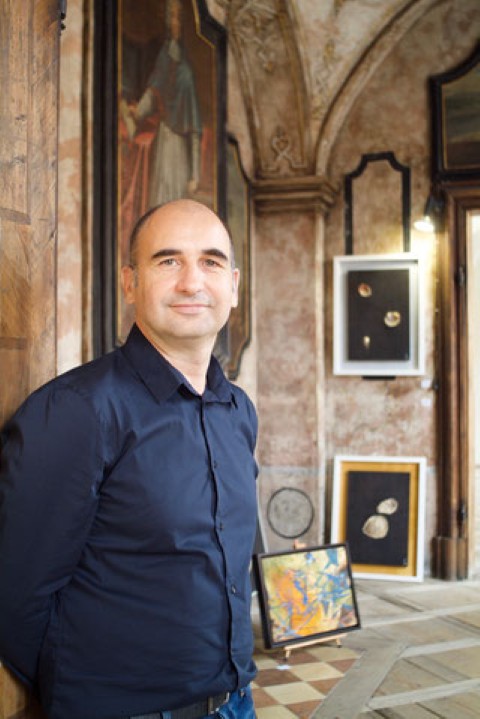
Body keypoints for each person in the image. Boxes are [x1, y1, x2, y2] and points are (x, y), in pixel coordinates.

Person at [0, 200, 259, 719]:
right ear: (129, 283)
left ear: (233, 286)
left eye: (210, 262)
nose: (191, 282)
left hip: (235, 704)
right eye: (168, 261)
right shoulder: (78, 410)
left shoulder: (238, 410)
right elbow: (15, 596)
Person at [123, 0, 203, 206]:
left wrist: (195, 175)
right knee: (159, 200)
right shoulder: (164, 58)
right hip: (164, 140)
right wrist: (137, 111)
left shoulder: (185, 72)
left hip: (178, 147)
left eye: (177, 18)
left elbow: (194, 130)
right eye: (171, 17)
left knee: (177, 203)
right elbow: (154, 91)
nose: (174, 23)